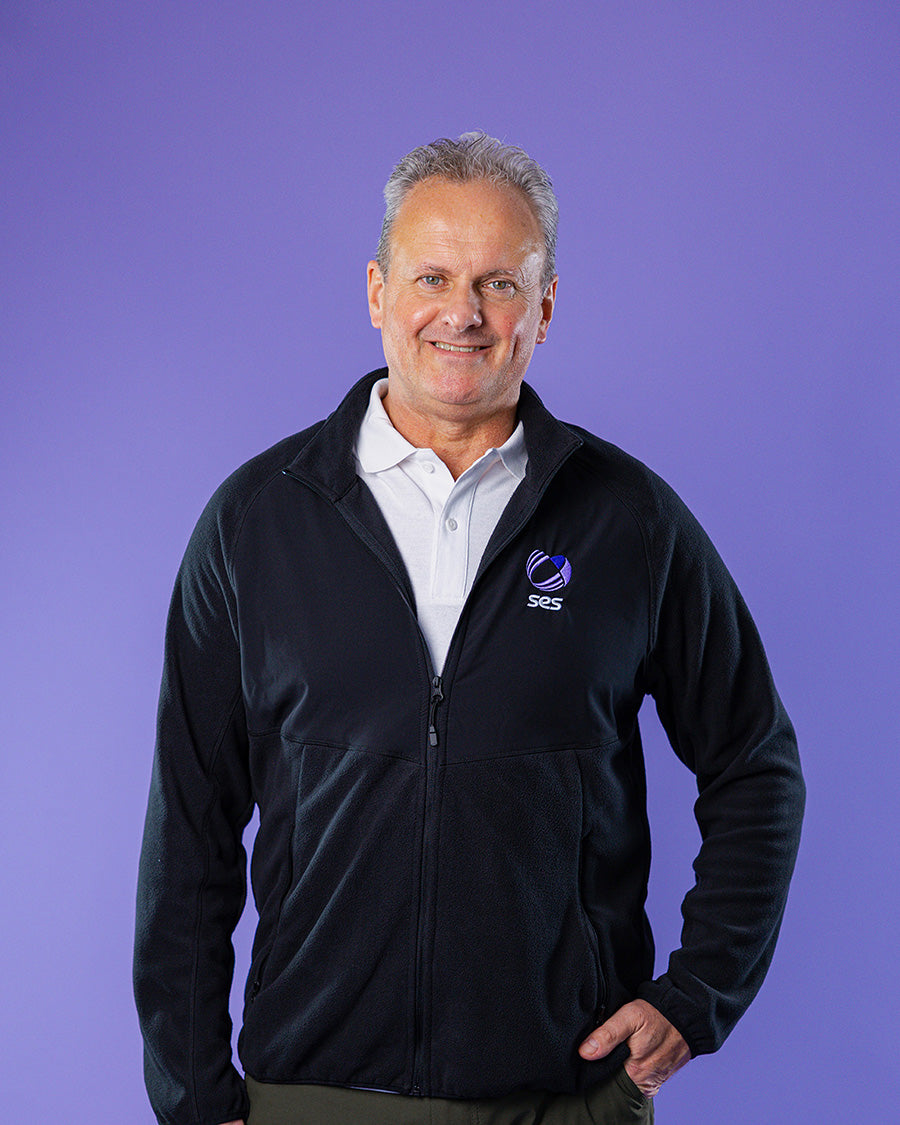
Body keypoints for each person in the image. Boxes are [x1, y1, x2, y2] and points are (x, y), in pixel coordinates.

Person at [134, 132, 805, 1125]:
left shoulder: (628, 521)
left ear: (545, 307)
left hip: (564, 1097)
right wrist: (194, 1095)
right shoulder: (255, 523)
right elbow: (189, 829)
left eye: (499, 282)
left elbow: (755, 762)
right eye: (432, 277)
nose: (463, 313)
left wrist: (699, 992)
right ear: (377, 292)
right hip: (312, 1097)